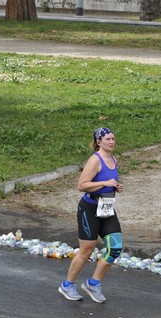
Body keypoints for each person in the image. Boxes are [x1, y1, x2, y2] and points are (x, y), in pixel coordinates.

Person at [58, 127, 124, 304]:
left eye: (113, 139)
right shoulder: (95, 160)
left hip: (107, 208)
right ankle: (67, 284)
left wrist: (115, 186)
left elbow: (108, 182)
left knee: (115, 248)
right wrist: (105, 182)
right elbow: (82, 185)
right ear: (99, 142)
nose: (111, 142)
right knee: (87, 251)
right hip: (89, 209)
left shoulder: (113, 159)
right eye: (108, 139)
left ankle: (93, 283)